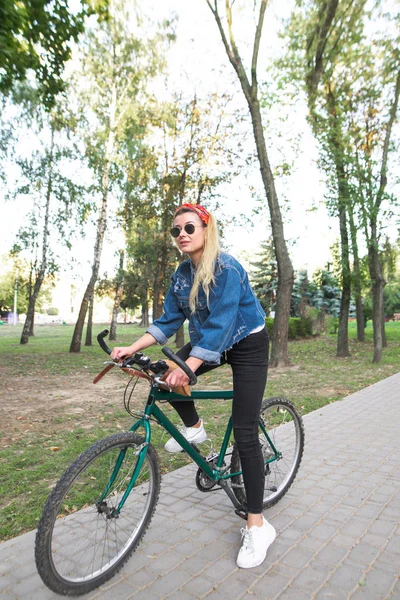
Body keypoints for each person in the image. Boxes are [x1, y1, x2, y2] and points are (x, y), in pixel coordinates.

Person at [111, 203, 276, 569]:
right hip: (209, 341)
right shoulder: (182, 273)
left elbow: (221, 325)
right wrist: (132, 348)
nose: (182, 234)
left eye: (189, 227)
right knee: (161, 375)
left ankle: (257, 526)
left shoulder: (227, 268)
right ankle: (195, 428)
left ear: (206, 229)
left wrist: (189, 367)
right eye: (176, 230)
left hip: (246, 342)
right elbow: (168, 319)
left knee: (245, 432)